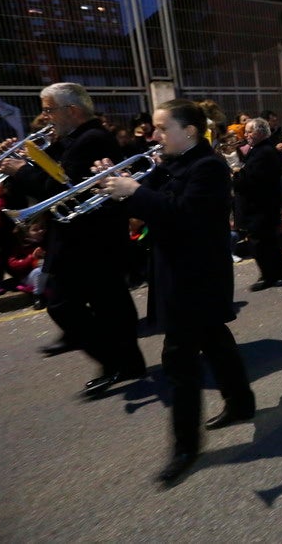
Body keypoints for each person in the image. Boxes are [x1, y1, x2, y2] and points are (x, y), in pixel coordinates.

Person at [97, 99, 255, 487]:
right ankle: (240, 402)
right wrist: (112, 184)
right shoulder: (169, 163)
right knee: (215, 340)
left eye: (162, 128)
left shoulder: (209, 167)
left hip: (197, 276)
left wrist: (135, 191)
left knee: (178, 360)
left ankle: (186, 446)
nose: (155, 135)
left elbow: (184, 215)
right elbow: (145, 206)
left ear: (189, 131)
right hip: (176, 273)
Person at [0, 82, 145, 392]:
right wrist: (16, 160)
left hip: (90, 240)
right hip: (80, 237)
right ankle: (126, 362)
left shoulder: (91, 140)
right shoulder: (71, 139)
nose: (45, 116)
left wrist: (21, 170)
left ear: (73, 110)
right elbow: (46, 176)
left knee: (68, 304)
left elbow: (59, 189)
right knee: (109, 302)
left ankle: (114, 361)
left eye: (49, 110)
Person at [233, 117, 282, 291]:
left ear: (260, 132)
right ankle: (278, 272)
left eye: (249, 131)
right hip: (264, 205)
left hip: (259, 207)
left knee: (260, 242)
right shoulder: (263, 150)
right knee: (270, 241)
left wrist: (235, 176)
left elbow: (250, 181)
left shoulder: (262, 152)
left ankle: (269, 275)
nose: (246, 135)